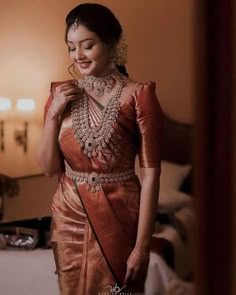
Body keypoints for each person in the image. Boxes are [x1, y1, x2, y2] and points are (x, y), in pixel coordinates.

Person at [37, 3, 162, 294]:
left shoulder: (139, 95)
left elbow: (152, 175)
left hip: (120, 216)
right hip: (68, 216)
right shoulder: (60, 94)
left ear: (112, 44)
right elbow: (47, 168)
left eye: (87, 45)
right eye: (71, 47)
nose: (78, 55)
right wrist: (54, 113)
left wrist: (142, 248)